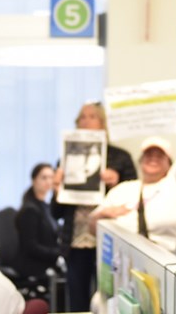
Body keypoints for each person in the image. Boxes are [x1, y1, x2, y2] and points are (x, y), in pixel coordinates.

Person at [51, 100, 137, 312]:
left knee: (110, 298)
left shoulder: (120, 157)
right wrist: (56, 189)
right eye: (82, 117)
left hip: (109, 242)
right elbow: (56, 213)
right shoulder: (65, 159)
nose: (86, 121)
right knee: (78, 300)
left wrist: (115, 185)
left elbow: (135, 200)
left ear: (103, 122)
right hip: (76, 241)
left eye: (92, 116)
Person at [89, 91, 176, 251]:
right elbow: (92, 228)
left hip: (174, 261)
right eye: (148, 154)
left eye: (159, 155)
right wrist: (102, 215)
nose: (152, 158)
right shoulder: (122, 190)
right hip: (129, 265)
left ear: (169, 164)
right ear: (140, 161)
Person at [14, 163, 62, 289]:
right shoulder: (30, 210)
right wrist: (57, 253)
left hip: (46, 260)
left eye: (51, 177)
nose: (48, 181)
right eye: (44, 177)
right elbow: (31, 246)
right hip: (34, 265)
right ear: (34, 180)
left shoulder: (46, 206)